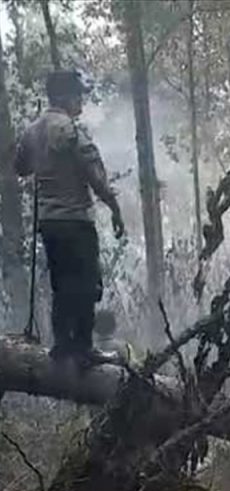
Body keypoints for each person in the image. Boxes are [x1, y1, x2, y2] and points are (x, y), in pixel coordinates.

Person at [15, 70, 125, 366]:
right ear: (65, 97)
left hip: (49, 223)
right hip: (76, 220)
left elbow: (21, 167)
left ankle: (62, 346)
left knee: (62, 284)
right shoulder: (70, 131)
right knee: (87, 284)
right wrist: (115, 209)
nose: (82, 101)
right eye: (78, 95)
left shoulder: (33, 131)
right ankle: (84, 348)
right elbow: (96, 178)